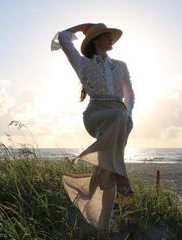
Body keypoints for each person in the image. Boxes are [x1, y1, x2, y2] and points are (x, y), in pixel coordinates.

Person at [51, 23, 135, 240]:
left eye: (111, 36)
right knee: (117, 119)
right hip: (97, 114)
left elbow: (129, 94)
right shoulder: (82, 63)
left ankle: (104, 230)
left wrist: (130, 114)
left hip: (120, 117)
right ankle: (123, 175)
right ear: (95, 40)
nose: (111, 39)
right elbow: (63, 37)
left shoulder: (121, 65)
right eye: (106, 36)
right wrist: (81, 27)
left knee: (107, 170)